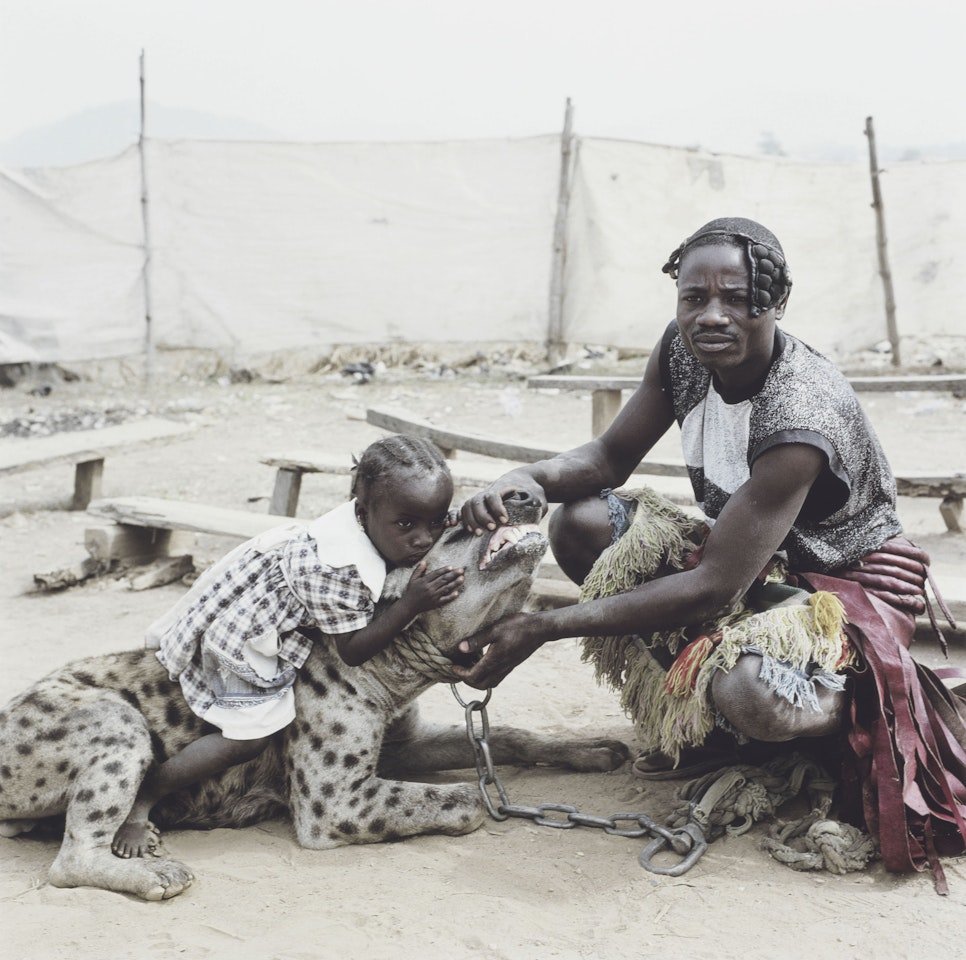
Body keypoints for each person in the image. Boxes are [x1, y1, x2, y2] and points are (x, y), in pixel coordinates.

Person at [455, 217, 965, 885]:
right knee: (580, 523)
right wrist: (528, 479)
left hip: (841, 588)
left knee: (749, 687)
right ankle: (721, 730)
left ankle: (831, 717)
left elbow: (713, 587)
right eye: (694, 298)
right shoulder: (682, 352)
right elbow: (607, 458)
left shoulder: (799, 412)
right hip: (757, 558)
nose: (711, 316)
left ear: (776, 303)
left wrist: (542, 627)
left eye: (736, 297)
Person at [112, 434, 464, 859]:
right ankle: (145, 798)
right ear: (363, 508)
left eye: (437, 522)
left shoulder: (373, 517)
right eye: (407, 524)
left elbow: (422, 523)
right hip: (241, 648)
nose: (424, 540)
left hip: (264, 620)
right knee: (247, 738)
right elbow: (353, 650)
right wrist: (413, 602)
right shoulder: (336, 568)